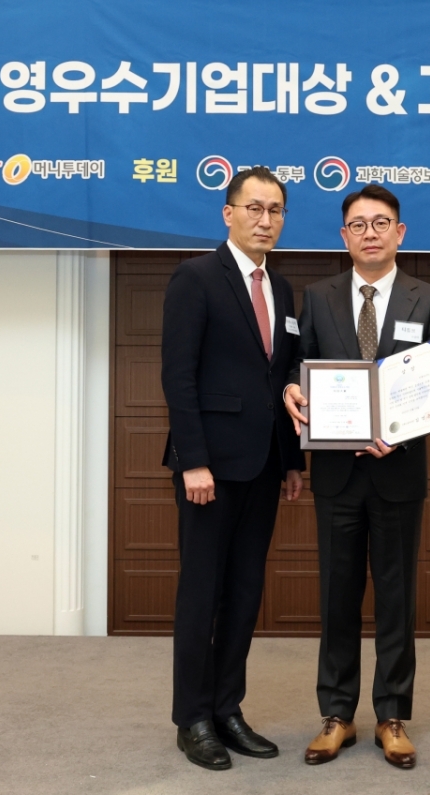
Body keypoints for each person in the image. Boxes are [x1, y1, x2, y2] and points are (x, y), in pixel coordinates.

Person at [283, 184, 430, 769]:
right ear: (344, 236)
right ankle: (337, 715)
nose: (370, 233)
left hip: (399, 472)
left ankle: (392, 716)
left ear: (399, 233)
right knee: (336, 598)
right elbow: (301, 368)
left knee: (395, 599)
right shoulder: (319, 297)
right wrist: (293, 389)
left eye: (380, 222)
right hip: (336, 474)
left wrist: (402, 430)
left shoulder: (429, 299)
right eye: (358, 224)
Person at [161, 166, 304, 771]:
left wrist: (292, 461)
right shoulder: (195, 277)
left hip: (266, 465)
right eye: (254, 208)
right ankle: (192, 718)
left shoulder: (283, 289)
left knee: (245, 593)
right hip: (210, 470)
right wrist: (193, 460)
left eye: (276, 210)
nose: (265, 220)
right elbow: (179, 376)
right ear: (229, 213)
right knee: (203, 592)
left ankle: (227, 708)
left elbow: (284, 380)